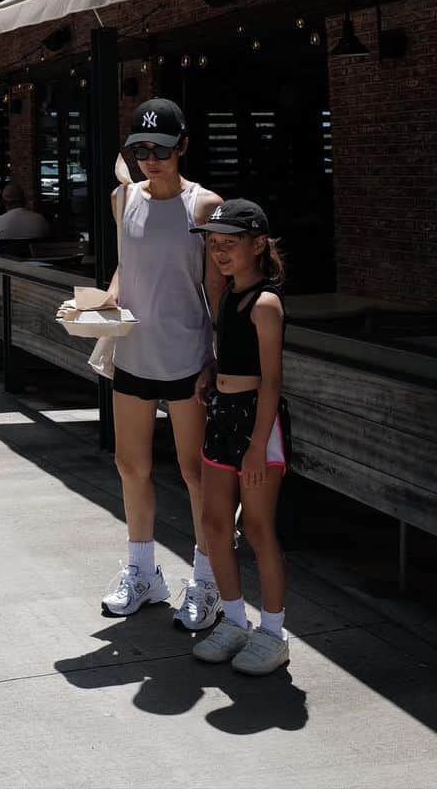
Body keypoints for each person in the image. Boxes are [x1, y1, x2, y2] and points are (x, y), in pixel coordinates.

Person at [100, 98, 227, 630]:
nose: (152, 158)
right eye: (141, 149)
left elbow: (217, 290)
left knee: (195, 473)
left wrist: (216, 362)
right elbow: (126, 269)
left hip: (186, 356)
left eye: (163, 148)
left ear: (184, 147)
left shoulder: (204, 206)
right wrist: (97, 304)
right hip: (133, 351)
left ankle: (207, 579)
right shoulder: (121, 199)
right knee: (131, 466)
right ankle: (142, 570)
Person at [189, 199, 291, 674]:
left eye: (230, 244)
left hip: (256, 422)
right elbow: (227, 350)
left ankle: (273, 632)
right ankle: (232, 619)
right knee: (213, 525)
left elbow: (271, 380)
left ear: (258, 244)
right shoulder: (229, 293)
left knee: (256, 528)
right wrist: (212, 371)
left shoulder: (266, 303)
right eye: (213, 245)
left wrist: (256, 445)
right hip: (221, 413)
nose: (220, 253)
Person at [0, 183, 50, 249]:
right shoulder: (41, 220)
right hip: (36, 262)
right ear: (24, 200)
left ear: (4, 202)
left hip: (3, 261)